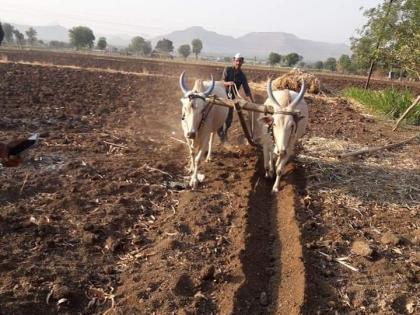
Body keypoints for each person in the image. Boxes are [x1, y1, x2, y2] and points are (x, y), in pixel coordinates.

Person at [218, 53, 254, 142]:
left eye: (240, 61)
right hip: (222, 96)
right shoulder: (227, 69)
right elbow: (222, 82)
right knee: (220, 116)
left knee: (229, 119)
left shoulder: (242, 76)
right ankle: (220, 132)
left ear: (242, 62)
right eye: (237, 61)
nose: (238, 63)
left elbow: (247, 90)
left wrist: (253, 102)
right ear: (234, 61)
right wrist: (228, 83)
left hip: (232, 99)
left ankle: (224, 134)